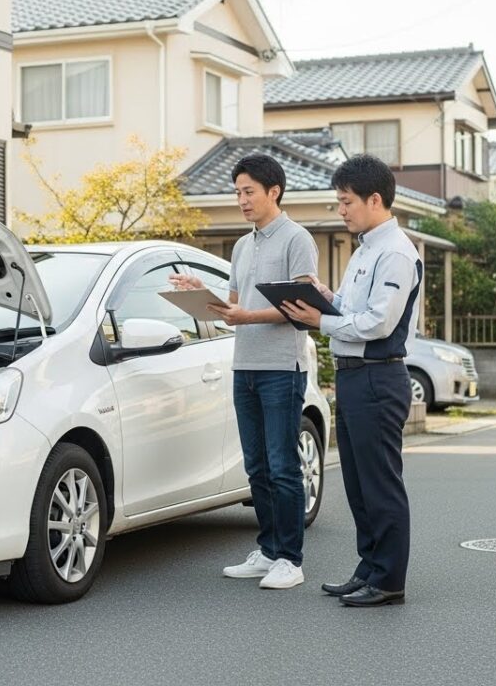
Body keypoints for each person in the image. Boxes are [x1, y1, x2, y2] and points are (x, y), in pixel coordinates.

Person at [169, 154, 318, 590]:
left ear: (274, 191)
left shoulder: (298, 239)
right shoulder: (241, 244)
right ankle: (269, 551)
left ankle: (291, 558)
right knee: (255, 466)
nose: (241, 199)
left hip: (281, 368)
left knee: (282, 465)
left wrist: (245, 316)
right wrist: (203, 294)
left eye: (248, 191)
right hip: (245, 366)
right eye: (237, 192)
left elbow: (302, 308)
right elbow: (233, 306)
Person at [281, 154, 421, 607]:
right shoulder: (365, 248)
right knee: (359, 484)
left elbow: (379, 323)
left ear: (374, 199)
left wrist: (320, 320)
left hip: (380, 377)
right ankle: (369, 569)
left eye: (346, 202)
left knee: (380, 483)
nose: (340, 210)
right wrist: (325, 296)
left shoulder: (397, 252)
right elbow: (351, 307)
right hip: (356, 379)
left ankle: (389, 581)